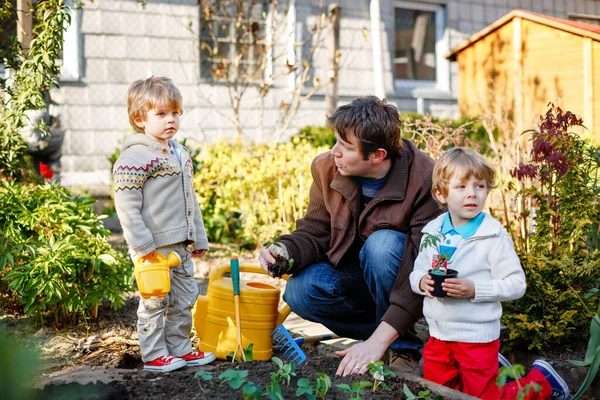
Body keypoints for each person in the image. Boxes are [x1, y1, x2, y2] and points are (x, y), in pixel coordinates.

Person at [258, 96, 442, 376]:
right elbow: (316, 230)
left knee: (382, 246)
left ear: (377, 155)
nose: (334, 152)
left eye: (345, 147)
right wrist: (285, 251)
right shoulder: (327, 168)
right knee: (300, 291)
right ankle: (385, 336)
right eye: (335, 142)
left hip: (405, 281)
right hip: (355, 278)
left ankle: (402, 347)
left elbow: (420, 265)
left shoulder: (424, 178)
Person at [409, 147, 569, 399]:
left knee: (484, 397)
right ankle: (498, 371)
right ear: (440, 194)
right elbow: (417, 269)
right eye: (461, 187)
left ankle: (544, 382)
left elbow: (516, 284)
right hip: (439, 334)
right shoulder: (433, 231)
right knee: (438, 393)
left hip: (477, 338)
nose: (472, 194)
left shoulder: (493, 236)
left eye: (480, 186)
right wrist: (421, 281)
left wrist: (475, 289)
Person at [113, 76, 215, 372]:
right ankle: (155, 353)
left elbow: (190, 200)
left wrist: (199, 237)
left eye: (175, 113)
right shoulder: (133, 158)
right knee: (155, 301)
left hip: (180, 245)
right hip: (152, 247)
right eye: (161, 114)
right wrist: (142, 246)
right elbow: (127, 207)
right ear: (139, 119)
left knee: (184, 298)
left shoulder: (179, 153)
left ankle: (180, 347)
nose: (171, 120)